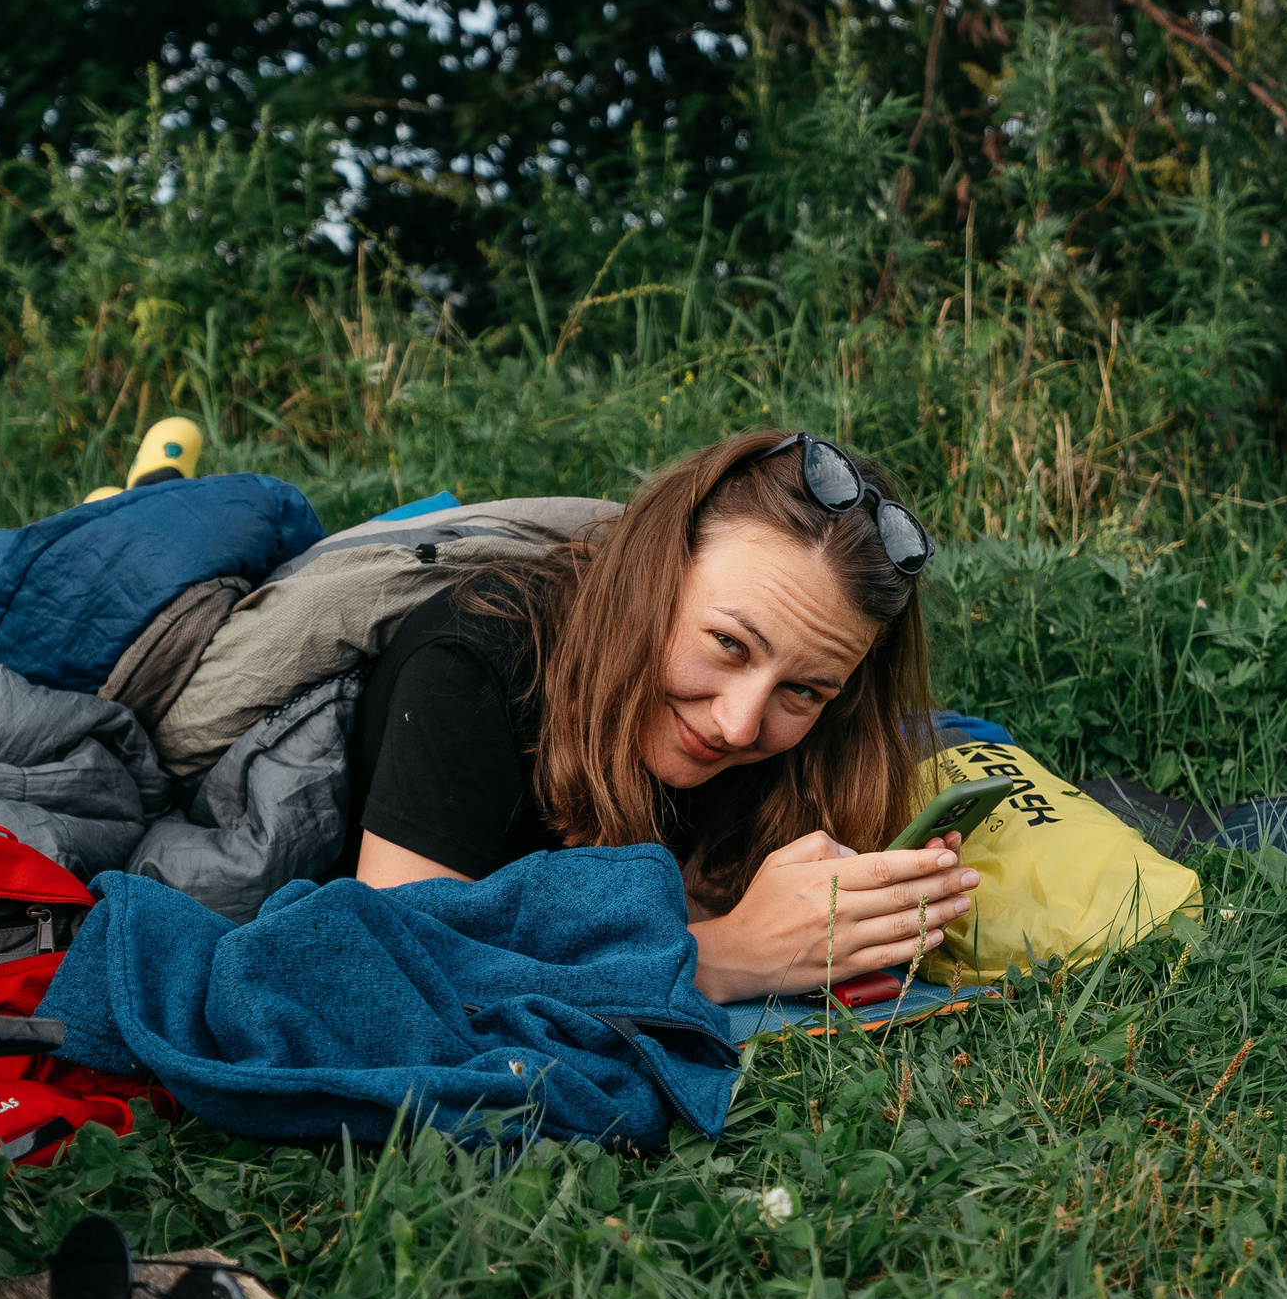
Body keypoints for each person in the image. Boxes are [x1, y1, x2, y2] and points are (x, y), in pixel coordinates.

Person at [345, 429, 980, 1003]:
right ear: (652, 574)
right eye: (729, 643)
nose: (738, 725)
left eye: (804, 691)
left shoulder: (812, 740)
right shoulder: (469, 661)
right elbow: (390, 973)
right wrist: (728, 957)